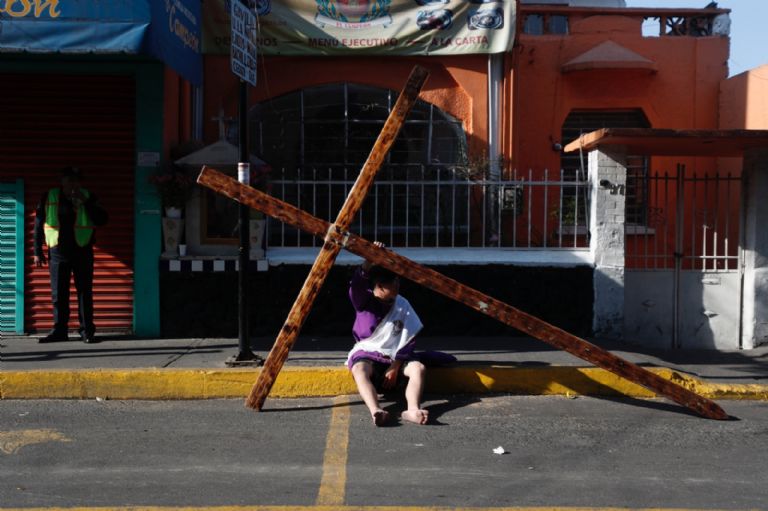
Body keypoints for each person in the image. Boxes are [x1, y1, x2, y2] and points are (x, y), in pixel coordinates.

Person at [347, 242, 429, 426]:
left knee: (418, 368)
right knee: (359, 370)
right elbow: (356, 283)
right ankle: (376, 410)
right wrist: (369, 257)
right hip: (368, 356)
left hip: (395, 360)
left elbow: (410, 336)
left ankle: (413, 409)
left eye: (398, 285)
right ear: (379, 286)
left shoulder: (402, 304)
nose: (396, 295)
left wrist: (395, 365)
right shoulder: (363, 301)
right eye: (392, 289)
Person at [34, 166, 108, 343]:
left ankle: (87, 331)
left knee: (84, 292)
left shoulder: (88, 196)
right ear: (62, 182)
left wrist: (86, 202)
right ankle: (60, 331)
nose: (72, 184)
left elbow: (102, 219)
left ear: (80, 182)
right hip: (58, 252)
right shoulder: (49, 196)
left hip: (82, 250)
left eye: (75, 180)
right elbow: (39, 223)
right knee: (58, 293)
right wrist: (37, 251)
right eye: (68, 180)